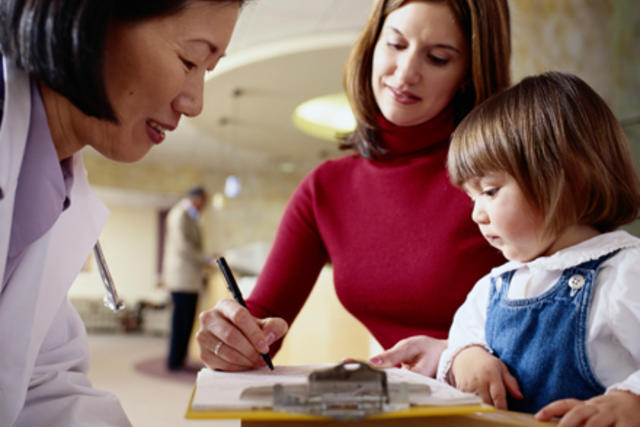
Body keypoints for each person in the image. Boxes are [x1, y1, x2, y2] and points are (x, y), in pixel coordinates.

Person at [196, 0, 510, 374]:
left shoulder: (507, 174)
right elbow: (265, 323)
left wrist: (453, 353)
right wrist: (233, 338)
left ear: (468, 74)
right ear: (373, 45)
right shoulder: (326, 187)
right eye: (395, 44)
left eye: (438, 58)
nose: (405, 73)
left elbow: (575, 314)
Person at [0, 1, 247, 425]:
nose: (195, 103)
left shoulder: (58, 185)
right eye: (189, 59)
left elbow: (37, 380)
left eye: (207, 69)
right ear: (87, 16)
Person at [439, 71, 640, 425]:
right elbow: (459, 342)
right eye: (471, 196)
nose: (476, 214)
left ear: (569, 180)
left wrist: (632, 402)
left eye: (489, 191)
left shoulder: (625, 273)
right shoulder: (492, 289)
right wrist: (467, 357)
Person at [163, 186, 215, 371]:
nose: (205, 206)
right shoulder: (180, 215)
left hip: (189, 278)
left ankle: (179, 359)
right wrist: (207, 258)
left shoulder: (190, 216)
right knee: (180, 321)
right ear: (198, 198)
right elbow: (183, 246)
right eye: (205, 201)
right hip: (181, 278)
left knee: (187, 321)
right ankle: (174, 361)